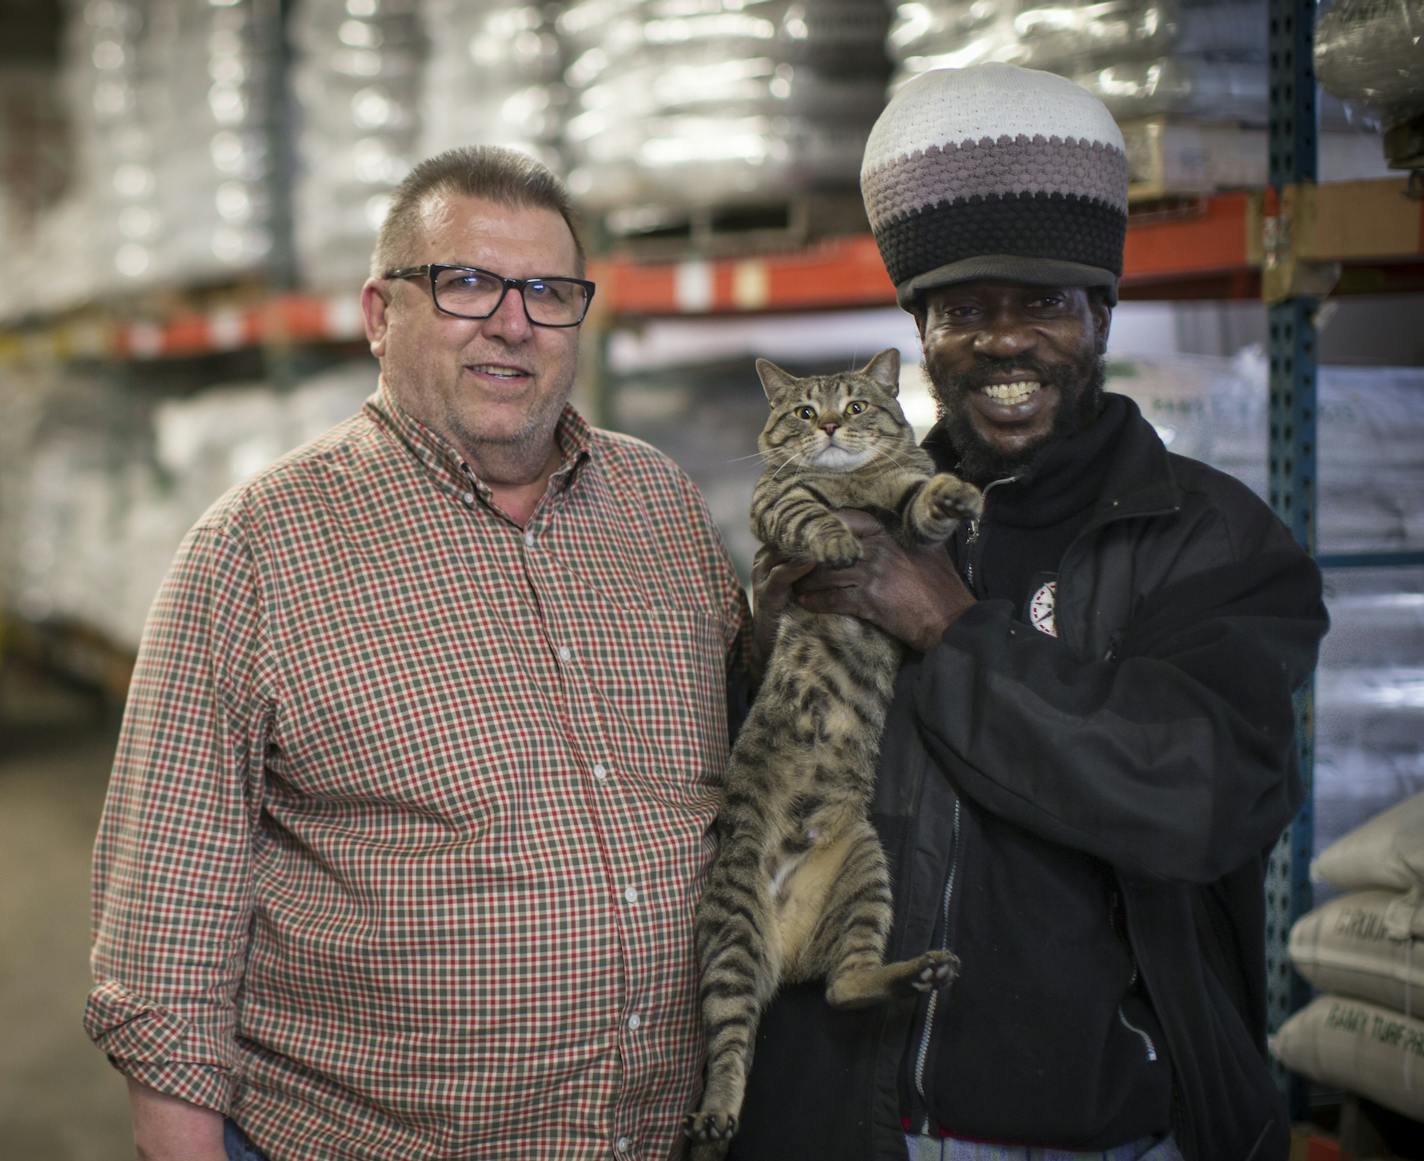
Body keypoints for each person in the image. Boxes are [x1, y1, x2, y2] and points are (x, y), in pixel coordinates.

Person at [86, 145, 751, 1161]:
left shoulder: (659, 506)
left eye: (547, 290)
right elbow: (164, 939)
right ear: (376, 315)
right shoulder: (256, 551)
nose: (513, 321)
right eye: (467, 283)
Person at [729, 64, 1328, 1161]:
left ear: (1101, 311)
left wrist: (948, 627)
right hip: (851, 1126)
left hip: (1100, 1135)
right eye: (962, 311)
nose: (1002, 342)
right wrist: (764, 650)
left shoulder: (1213, 540)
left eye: (1042, 303)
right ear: (920, 333)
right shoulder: (852, 524)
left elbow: (1192, 794)